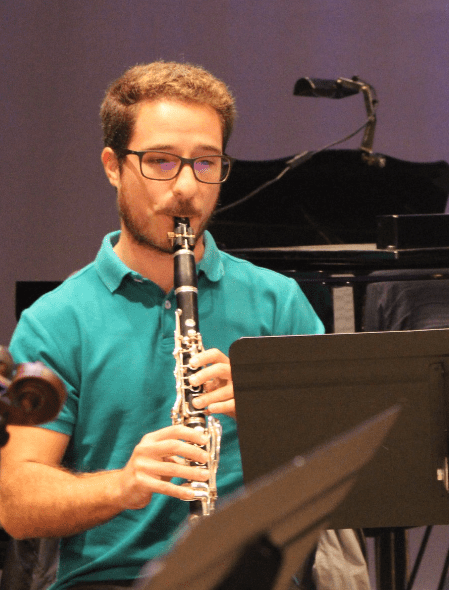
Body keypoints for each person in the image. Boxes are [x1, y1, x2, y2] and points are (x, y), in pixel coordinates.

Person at [0, 62, 365, 590]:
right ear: (112, 165)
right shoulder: (57, 321)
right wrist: (123, 486)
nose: (187, 188)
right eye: (161, 163)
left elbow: (354, 462)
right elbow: (15, 501)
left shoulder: (277, 302)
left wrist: (275, 413)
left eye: (206, 163)